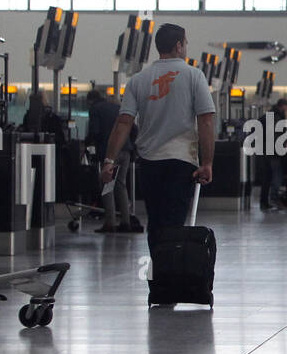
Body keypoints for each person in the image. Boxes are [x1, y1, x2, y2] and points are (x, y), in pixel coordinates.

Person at [102, 23, 215, 249]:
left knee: (155, 222)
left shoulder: (138, 80)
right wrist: (208, 162)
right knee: (174, 223)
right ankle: (171, 272)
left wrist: (109, 161)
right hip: (181, 162)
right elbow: (206, 120)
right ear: (179, 45)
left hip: (150, 162)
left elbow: (123, 122)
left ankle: (158, 275)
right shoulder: (194, 76)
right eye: (186, 42)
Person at [86, 88, 136, 232]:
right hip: (125, 150)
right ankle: (126, 222)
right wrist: (130, 145)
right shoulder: (118, 108)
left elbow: (94, 131)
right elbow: (134, 129)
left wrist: (89, 145)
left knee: (107, 184)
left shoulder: (95, 109)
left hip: (110, 151)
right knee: (121, 184)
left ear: (90, 101)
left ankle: (110, 222)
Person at [258, 97, 287, 211]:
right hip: (274, 153)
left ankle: (264, 202)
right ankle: (274, 198)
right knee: (277, 176)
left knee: (267, 178)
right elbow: (278, 135)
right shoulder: (277, 117)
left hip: (265, 152)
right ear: (283, 106)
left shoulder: (268, 115)